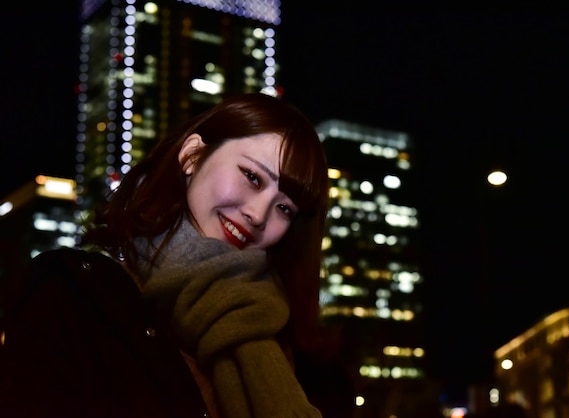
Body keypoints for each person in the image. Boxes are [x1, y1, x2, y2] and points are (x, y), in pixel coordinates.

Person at [0, 93, 332, 418]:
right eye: (252, 177)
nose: (259, 215)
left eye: (285, 208)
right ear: (192, 156)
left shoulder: (296, 354)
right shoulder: (70, 296)